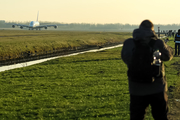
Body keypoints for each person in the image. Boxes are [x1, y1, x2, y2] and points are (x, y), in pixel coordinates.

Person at [121, 20, 174, 120]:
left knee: (136, 117)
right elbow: (168, 56)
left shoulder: (129, 43)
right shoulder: (157, 43)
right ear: (152, 29)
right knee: (161, 116)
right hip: (157, 87)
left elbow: (126, 58)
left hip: (136, 88)